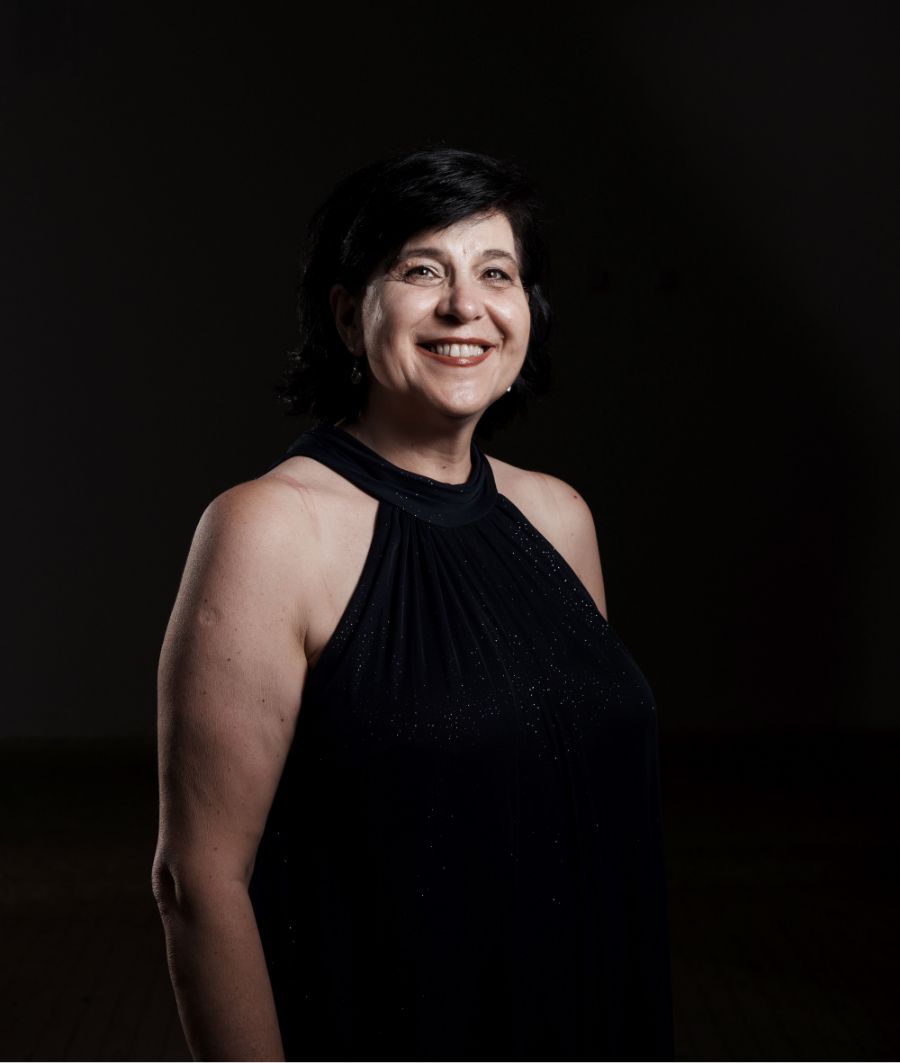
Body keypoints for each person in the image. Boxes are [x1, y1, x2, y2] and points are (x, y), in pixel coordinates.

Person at [152, 146, 673, 1060]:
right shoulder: (270, 529)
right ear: (349, 316)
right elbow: (198, 881)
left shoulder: (559, 516)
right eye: (422, 270)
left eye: (496, 273)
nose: (465, 306)